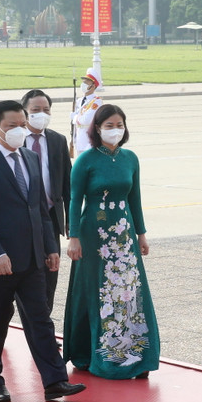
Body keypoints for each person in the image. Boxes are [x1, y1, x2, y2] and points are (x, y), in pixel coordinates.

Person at [0, 99, 85, 402]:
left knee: (40, 320)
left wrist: (49, 247)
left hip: (32, 259)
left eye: (22, 124)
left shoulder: (30, 158)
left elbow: (40, 210)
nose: (19, 130)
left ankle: (55, 380)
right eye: (11, 126)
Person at [63, 104, 159, 379]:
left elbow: (135, 199)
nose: (115, 130)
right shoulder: (86, 160)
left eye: (120, 125)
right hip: (94, 234)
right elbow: (74, 199)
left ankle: (136, 352)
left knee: (129, 290)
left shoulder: (131, 158)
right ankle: (98, 354)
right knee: (98, 291)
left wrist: (141, 234)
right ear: (96, 129)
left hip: (124, 234)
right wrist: (74, 238)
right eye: (109, 126)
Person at [20, 90, 71, 312]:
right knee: (24, 274)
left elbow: (68, 184)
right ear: (24, 113)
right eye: (36, 110)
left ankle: (45, 322)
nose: (42, 114)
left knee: (51, 274)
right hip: (22, 218)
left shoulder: (58, 140)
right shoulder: (14, 139)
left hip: (50, 217)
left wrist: (71, 221)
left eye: (46, 110)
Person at [70, 70, 102, 157]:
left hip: (89, 141)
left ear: (93, 86)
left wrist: (74, 118)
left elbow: (85, 120)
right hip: (79, 140)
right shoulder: (79, 100)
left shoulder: (96, 101)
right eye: (83, 82)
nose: (83, 85)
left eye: (86, 83)